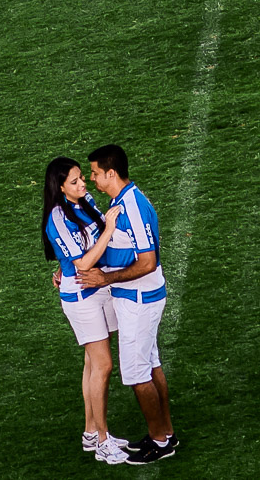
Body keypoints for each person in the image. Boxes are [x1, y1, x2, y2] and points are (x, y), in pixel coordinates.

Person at [76, 144, 179, 464]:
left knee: (137, 375)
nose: (92, 178)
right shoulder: (123, 200)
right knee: (151, 365)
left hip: (139, 302)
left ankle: (160, 441)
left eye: (94, 173)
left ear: (111, 173)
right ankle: (166, 433)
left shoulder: (132, 206)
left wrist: (105, 279)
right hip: (138, 299)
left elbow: (148, 262)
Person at [40, 157, 130, 465]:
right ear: (60, 187)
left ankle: (92, 432)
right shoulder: (57, 217)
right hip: (82, 297)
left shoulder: (85, 200)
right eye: (76, 181)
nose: (84, 184)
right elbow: (81, 263)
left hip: (99, 288)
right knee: (103, 366)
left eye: (82, 178)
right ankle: (104, 441)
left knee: (93, 361)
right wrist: (110, 228)